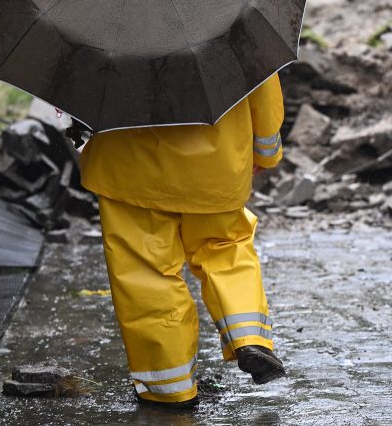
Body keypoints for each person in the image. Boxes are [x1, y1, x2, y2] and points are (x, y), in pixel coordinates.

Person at [78, 74, 287, 408]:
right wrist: (266, 151)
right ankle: (250, 338)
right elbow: (262, 87)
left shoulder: (106, 24)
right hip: (216, 163)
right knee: (225, 248)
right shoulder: (228, 22)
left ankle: (169, 387)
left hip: (128, 164)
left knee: (145, 273)